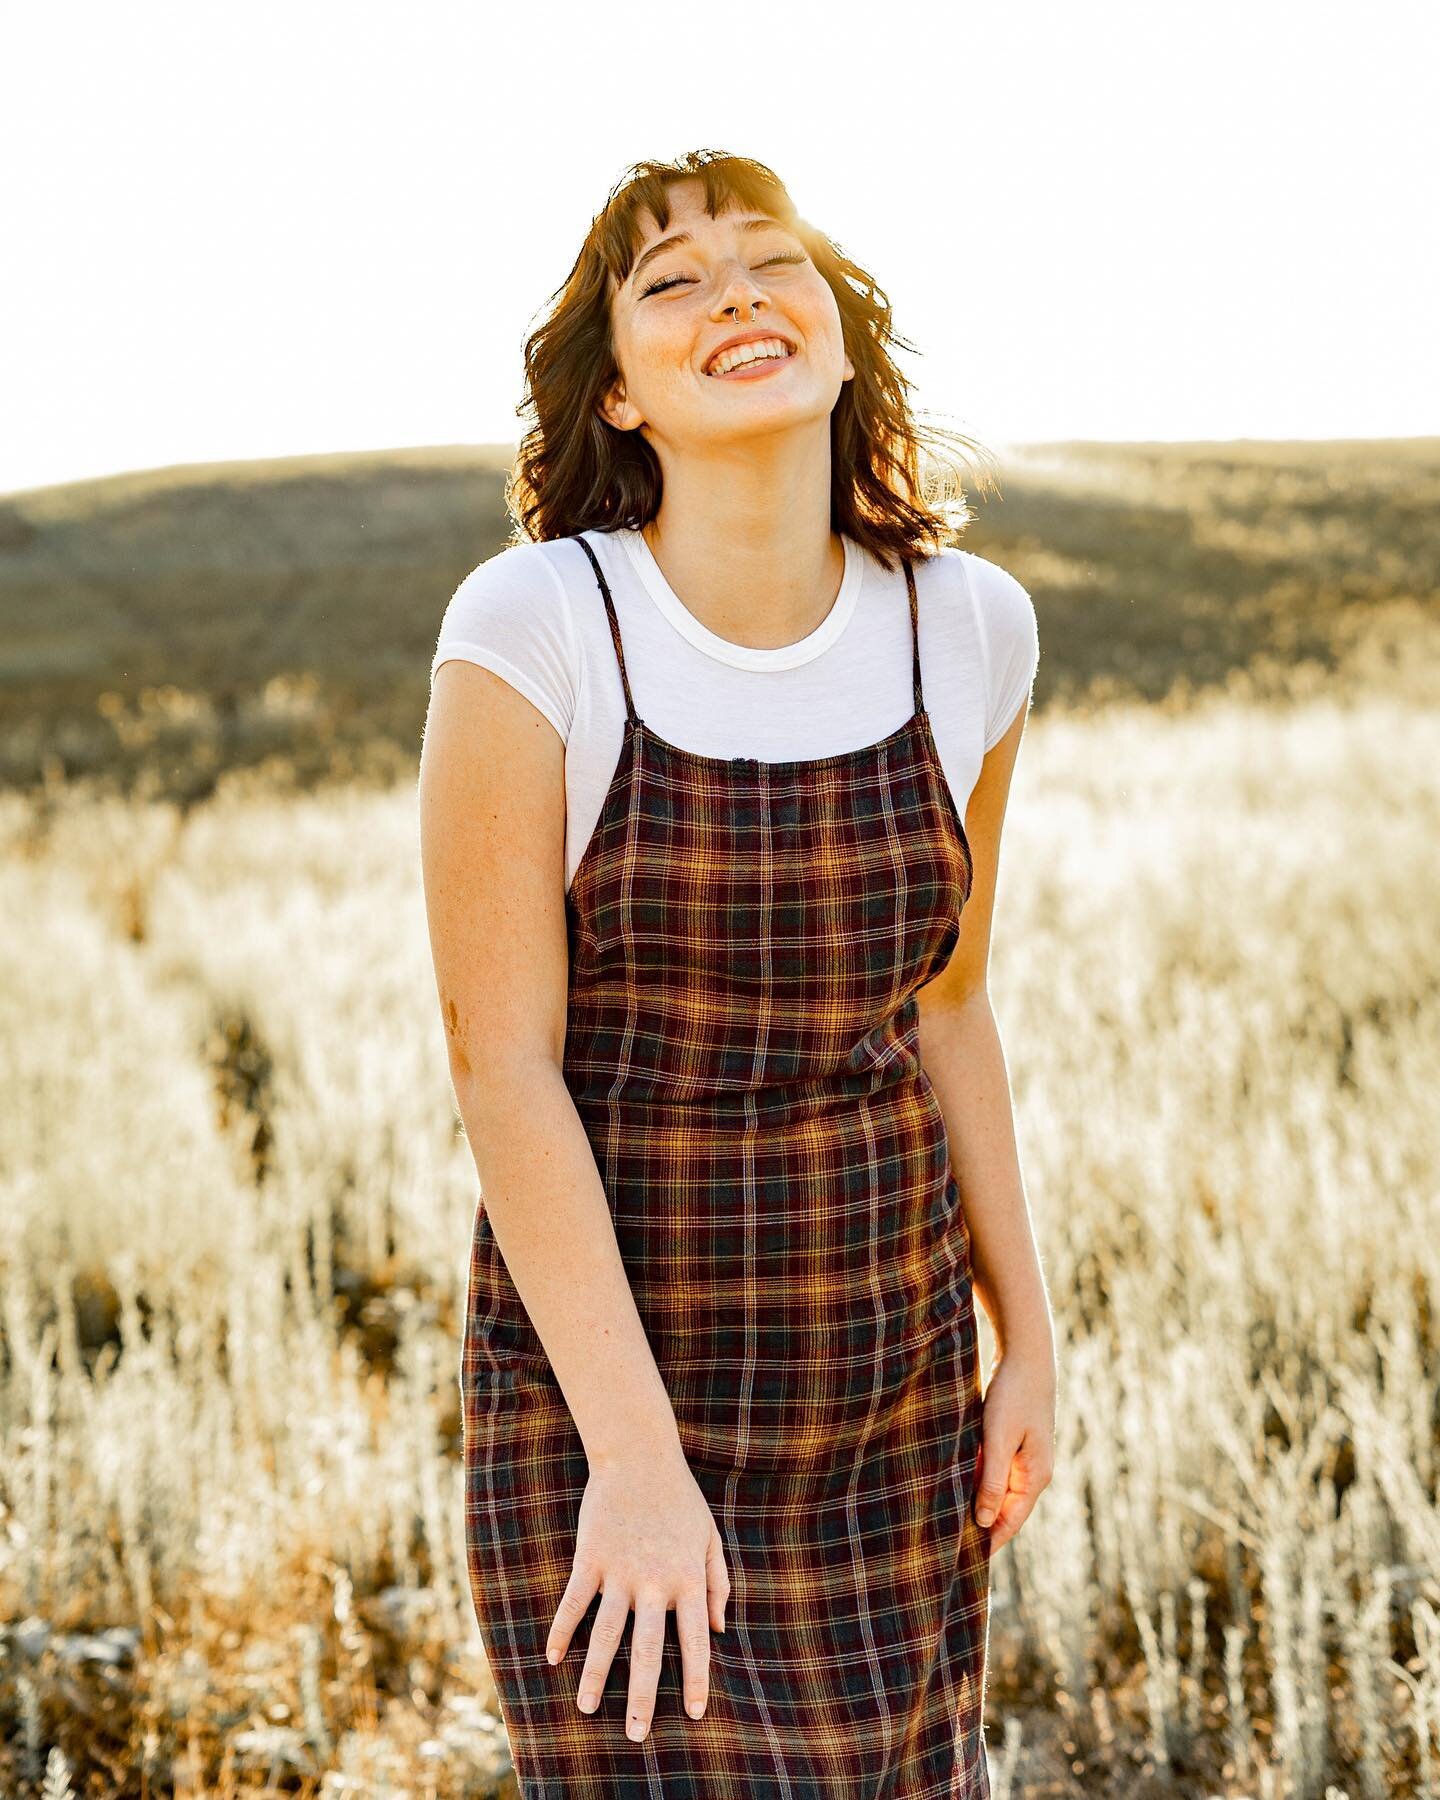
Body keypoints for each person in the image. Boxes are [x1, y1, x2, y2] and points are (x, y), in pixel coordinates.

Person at [418, 148, 1057, 1798]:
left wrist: (1028, 1340)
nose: (737, 296)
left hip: (883, 1395)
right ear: (619, 393)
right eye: (674, 283)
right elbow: (505, 1066)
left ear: (840, 329)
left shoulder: (968, 627)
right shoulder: (543, 624)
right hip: (613, 1386)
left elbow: (949, 1002)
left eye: (772, 260)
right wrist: (633, 1459)